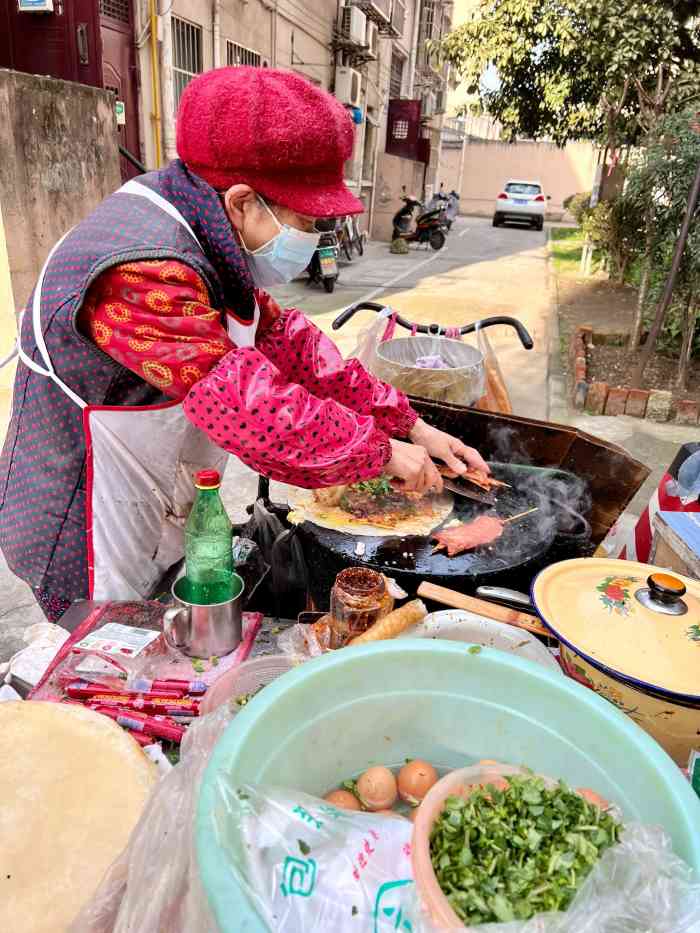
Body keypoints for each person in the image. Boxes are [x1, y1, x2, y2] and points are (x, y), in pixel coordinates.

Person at [0, 67, 487, 622]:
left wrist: (411, 425)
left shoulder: (208, 235)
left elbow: (297, 350)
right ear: (242, 202)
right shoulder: (143, 271)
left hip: (147, 496)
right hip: (78, 518)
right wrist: (380, 454)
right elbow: (250, 410)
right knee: (104, 658)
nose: (315, 233)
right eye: (307, 217)